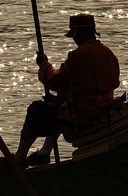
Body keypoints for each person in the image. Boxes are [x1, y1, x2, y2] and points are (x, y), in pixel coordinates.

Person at [13, 14, 120, 167]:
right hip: (102, 110)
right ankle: (44, 152)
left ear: (80, 33)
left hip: (83, 117)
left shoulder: (78, 55)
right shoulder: (108, 53)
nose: (73, 40)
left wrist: (44, 65)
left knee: (36, 110)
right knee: (57, 105)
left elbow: (56, 81)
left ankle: (19, 157)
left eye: (74, 35)